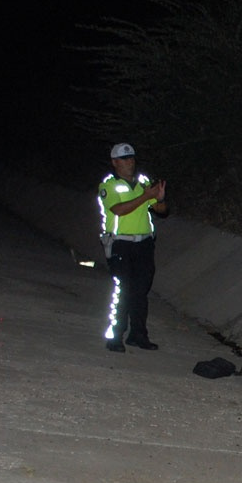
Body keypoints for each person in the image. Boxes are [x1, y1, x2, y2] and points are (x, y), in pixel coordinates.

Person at [97, 142, 167, 352]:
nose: (130, 162)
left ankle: (138, 335)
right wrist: (146, 196)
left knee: (140, 291)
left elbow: (161, 210)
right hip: (120, 244)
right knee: (123, 290)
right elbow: (119, 209)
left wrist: (159, 199)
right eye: (125, 159)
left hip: (144, 243)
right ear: (115, 162)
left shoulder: (143, 182)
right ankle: (115, 336)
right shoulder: (108, 185)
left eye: (132, 158)